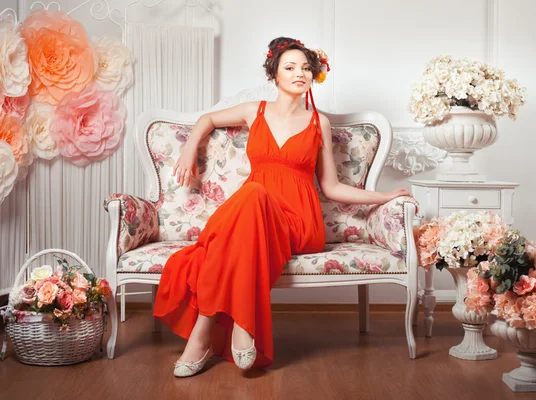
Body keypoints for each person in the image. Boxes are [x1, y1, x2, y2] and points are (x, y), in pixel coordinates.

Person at [152, 36, 411, 378]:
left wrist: (386, 197)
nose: (299, 73)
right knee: (251, 199)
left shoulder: (320, 123)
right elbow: (207, 120)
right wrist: (189, 151)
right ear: (274, 75)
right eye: (289, 67)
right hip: (254, 217)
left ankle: (207, 335)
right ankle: (236, 326)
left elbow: (332, 187)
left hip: (298, 222)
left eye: (306, 68)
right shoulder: (254, 111)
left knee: (250, 197)